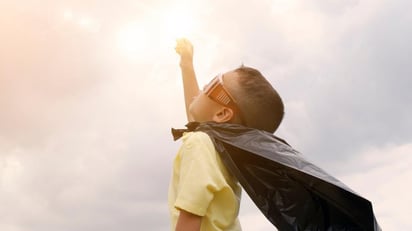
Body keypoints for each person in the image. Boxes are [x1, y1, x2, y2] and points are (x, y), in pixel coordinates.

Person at [168, 38, 284, 231]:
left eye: (214, 84)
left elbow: (191, 215)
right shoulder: (223, 149)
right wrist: (187, 65)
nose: (205, 84)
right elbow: (198, 119)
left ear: (222, 114)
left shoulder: (199, 143)